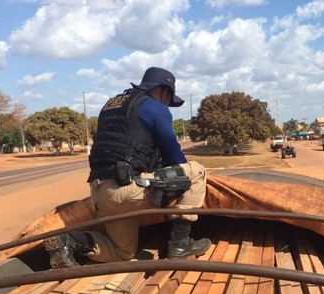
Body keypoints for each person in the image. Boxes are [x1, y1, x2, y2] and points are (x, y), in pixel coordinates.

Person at [45, 67, 211, 269]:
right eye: (169, 98)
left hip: (100, 195)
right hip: (129, 190)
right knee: (196, 171)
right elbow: (177, 159)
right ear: (163, 91)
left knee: (123, 254)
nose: (168, 103)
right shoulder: (155, 107)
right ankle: (180, 245)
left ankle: (70, 241)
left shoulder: (111, 106)